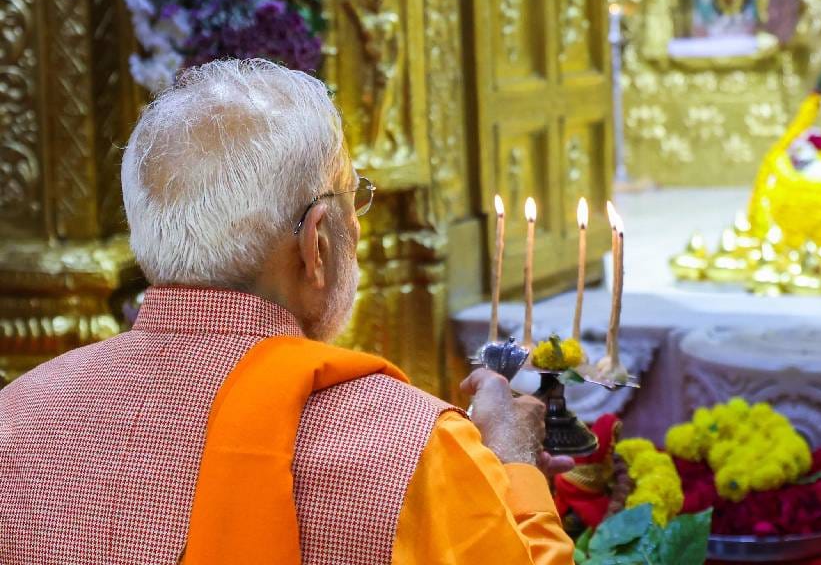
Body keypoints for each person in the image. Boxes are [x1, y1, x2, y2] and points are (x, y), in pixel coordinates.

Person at [0, 59, 575, 564]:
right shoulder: (410, 448)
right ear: (317, 242)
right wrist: (515, 466)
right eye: (354, 196)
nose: (356, 220)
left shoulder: (15, 417)